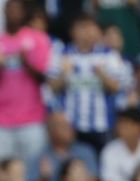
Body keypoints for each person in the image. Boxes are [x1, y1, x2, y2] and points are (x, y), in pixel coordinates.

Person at [0, 0, 51, 170]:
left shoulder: (38, 39)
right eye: (9, 9)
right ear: (3, 12)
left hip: (31, 119)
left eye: (17, 9)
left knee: (32, 171)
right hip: (0, 120)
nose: (13, 13)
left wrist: (25, 61)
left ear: (24, 13)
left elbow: (44, 79)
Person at [48, 14, 122, 154]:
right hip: (71, 125)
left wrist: (101, 74)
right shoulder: (61, 54)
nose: (88, 32)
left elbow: (116, 87)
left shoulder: (109, 55)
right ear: (73, 31)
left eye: (91, 27)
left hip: (101, 124)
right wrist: (64, 74)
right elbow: (52, 87)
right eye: (83, 27)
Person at [29, 111, 98, 181]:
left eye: (70, 126)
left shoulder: (85, 151)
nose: (70, 130)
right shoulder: (41, 157)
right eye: (64, 127)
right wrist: (43, 179)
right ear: (51, 132)